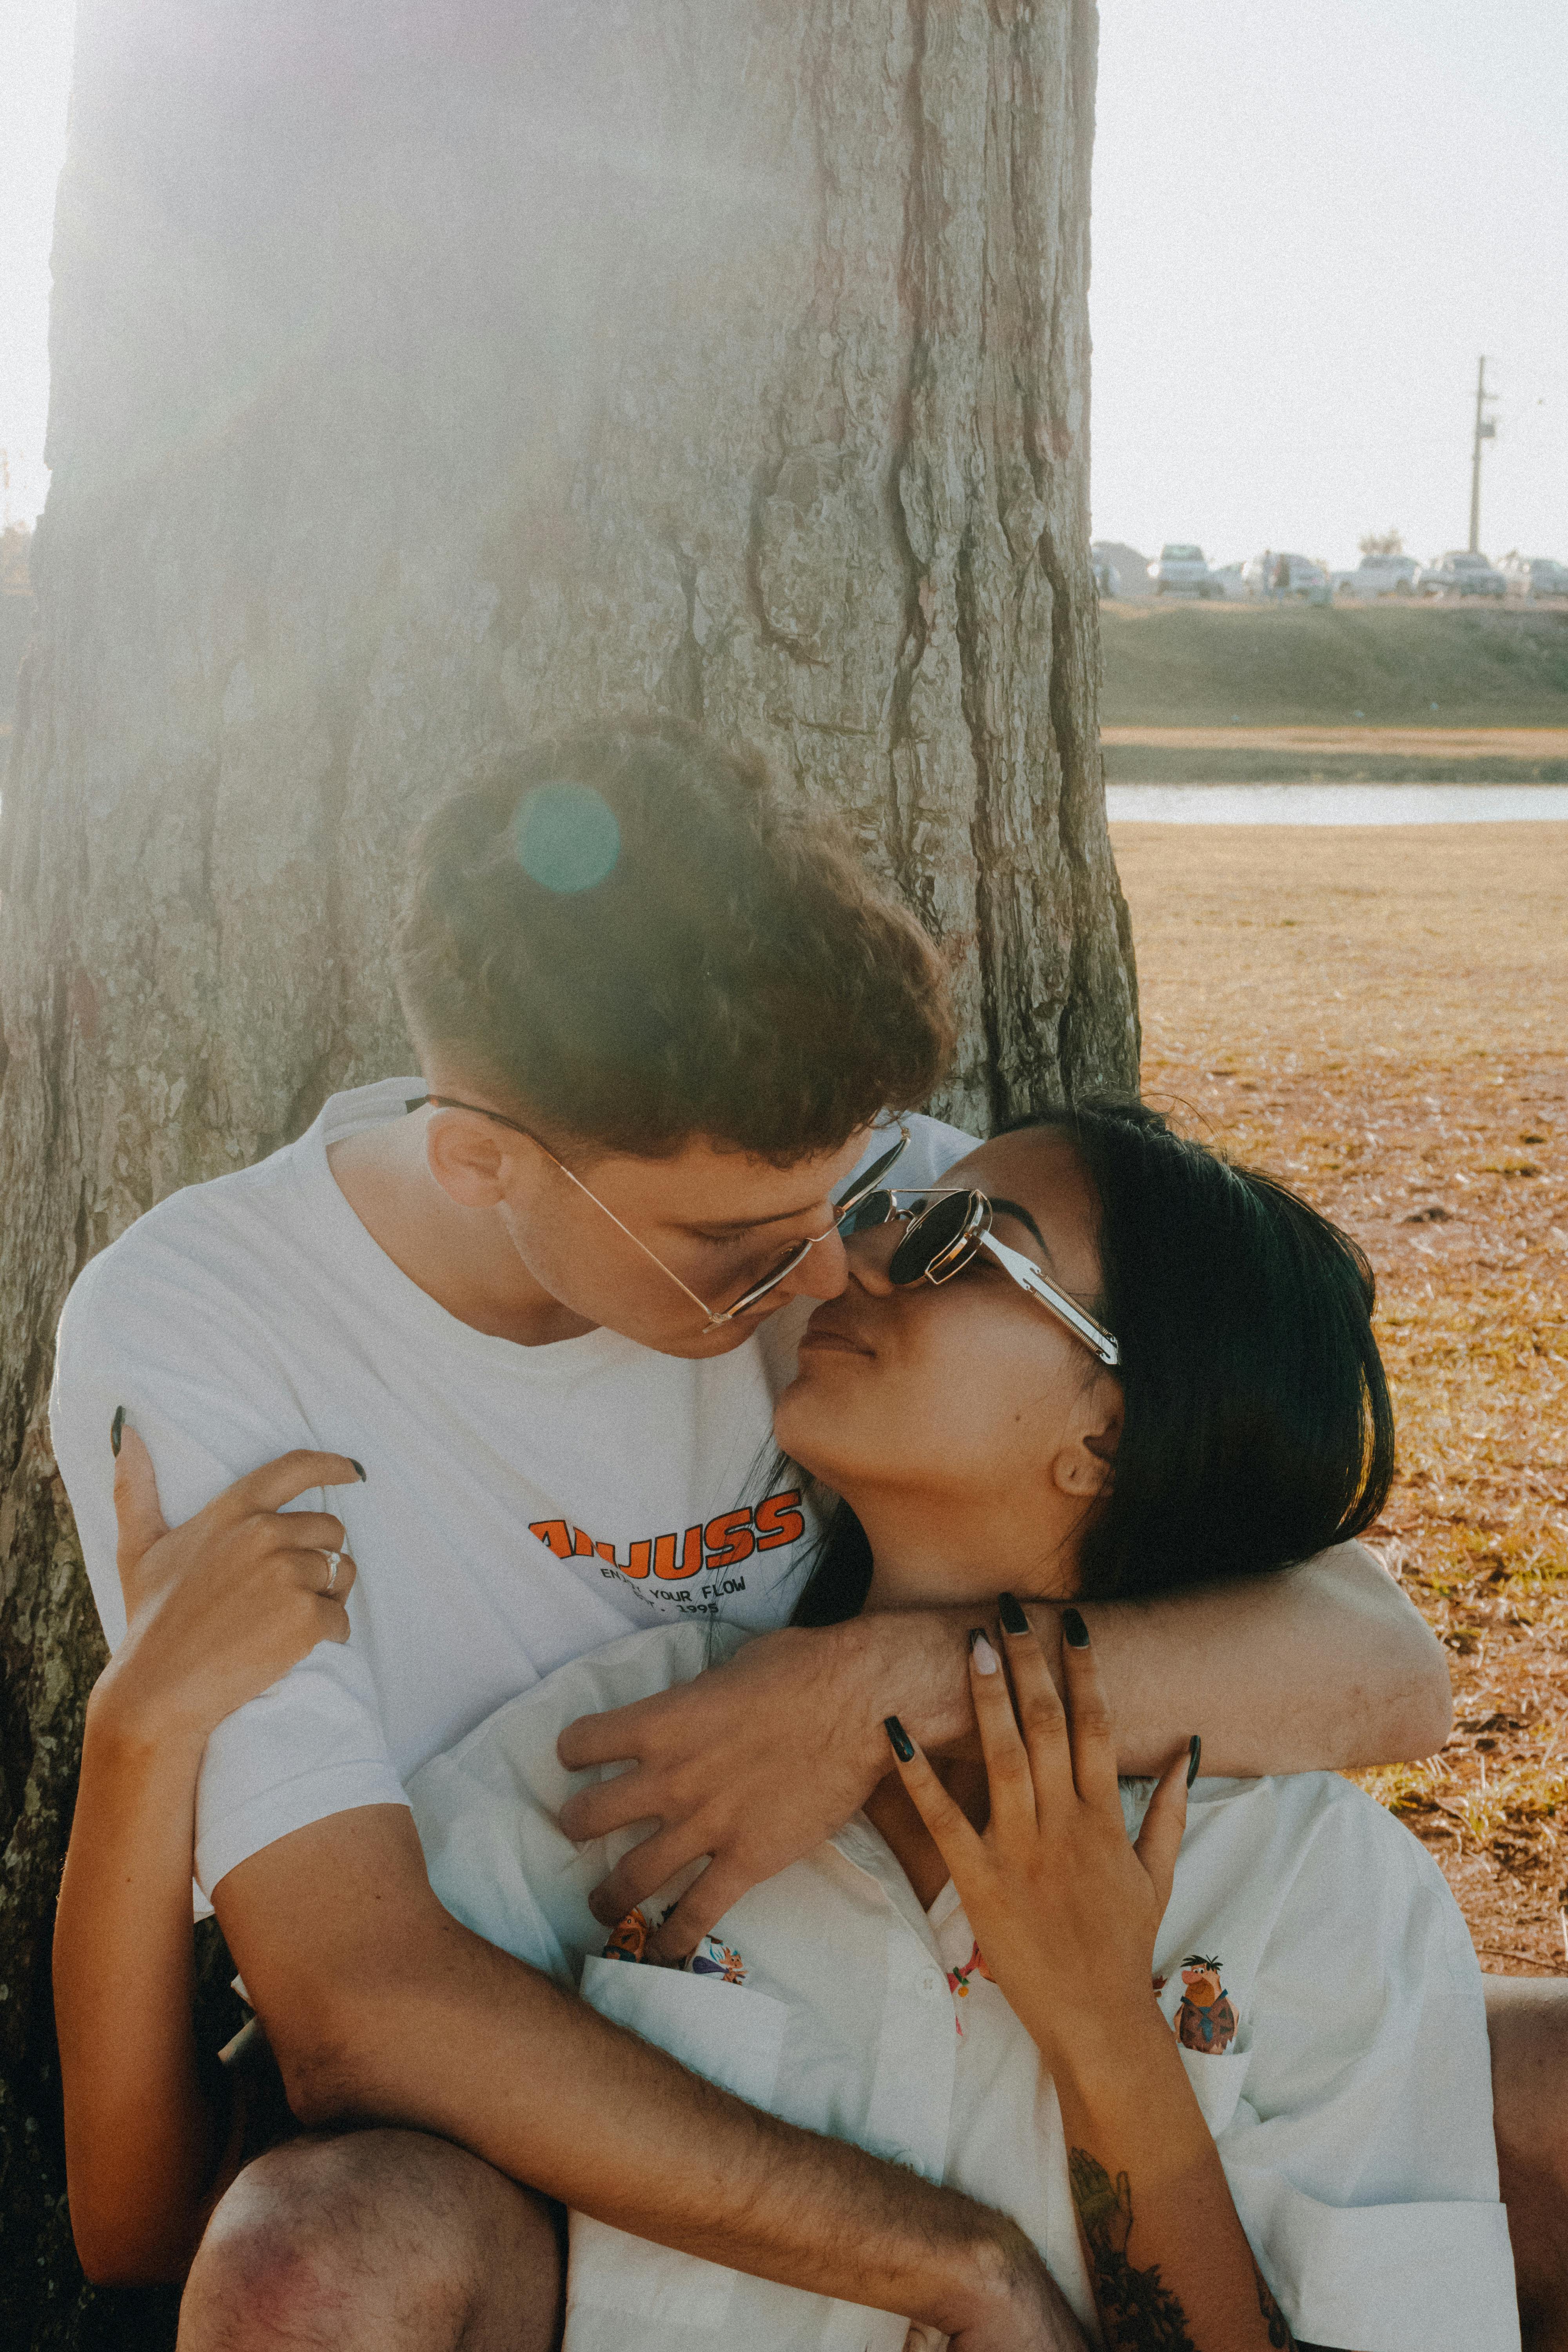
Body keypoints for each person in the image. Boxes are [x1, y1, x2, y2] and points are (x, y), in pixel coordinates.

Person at [51, 722, 1453, 2347]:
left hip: (977, 1988)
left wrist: (884, 1687)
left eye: (858, 1200)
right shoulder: (215, 1330)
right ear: (480, 1162)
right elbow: (356, 2005)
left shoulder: (869, 1219)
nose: (825, 1282)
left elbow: (1376, 1661)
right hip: (583, 2071)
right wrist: (957, 2264)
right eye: (733, 1249)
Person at [406, 1108, 1518, 2349]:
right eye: (889, 1216)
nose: (850, 1260)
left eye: (959, 1246)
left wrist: (1107, 2031)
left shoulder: (1308, 1887)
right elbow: (352, 2042)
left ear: (1106, 1436)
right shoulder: (645, 1743)